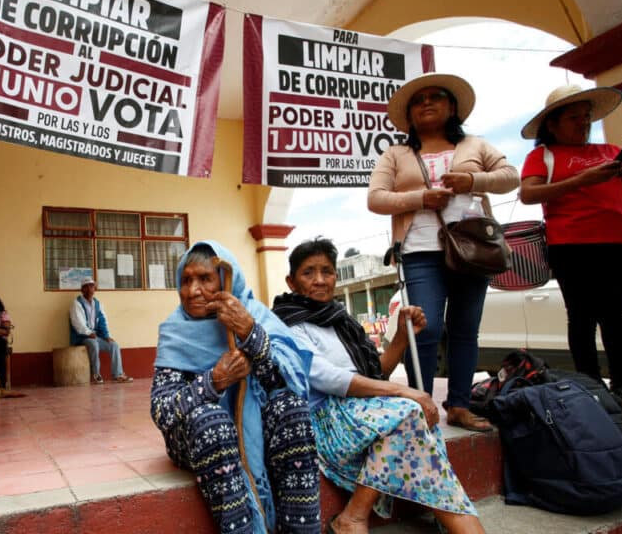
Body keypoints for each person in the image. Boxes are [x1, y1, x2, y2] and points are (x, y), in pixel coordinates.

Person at [273, 238, 483, 534]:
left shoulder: (342, 321)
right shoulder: (288, 325)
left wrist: (401, 337)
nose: (319, 280)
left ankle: (445, 515)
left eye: (327, 271)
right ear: (291, 282)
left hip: (360, 412)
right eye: (308, 272)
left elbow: (377, 372)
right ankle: (355, 516)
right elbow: (327, 378)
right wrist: (404, 390)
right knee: (409, 413)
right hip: (328, 419)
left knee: (420, 418)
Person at [367, 73, 519, 432]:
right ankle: (419, 405)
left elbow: (511, 176)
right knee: (425, 326)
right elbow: (375, 198)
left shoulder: (475, 144)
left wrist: (473, 181)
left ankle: (460, 406)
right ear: (409, 114)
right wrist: (421, 198)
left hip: (473, 249)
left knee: (465, 329)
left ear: (452, 107)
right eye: (418, 100)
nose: (427, 103)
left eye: (436, 97)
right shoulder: (396, 154)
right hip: (419, 251)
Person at [151, 241, 320, 534]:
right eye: (186, 280)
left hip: (255, 430)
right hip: (196, 437)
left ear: (226, 281)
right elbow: (162, 411)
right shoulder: (175, 331)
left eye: (205, 279)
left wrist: (250, 333)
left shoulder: (253, 315)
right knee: (212, 421)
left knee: (291, 408)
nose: (193, 291)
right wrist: (213, 382)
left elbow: (287, 382)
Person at [518, 85, 622, 409]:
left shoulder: (612, 150)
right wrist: (582, 180)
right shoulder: (543, 156)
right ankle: (590, 385)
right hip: (570, 242)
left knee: (616, 314)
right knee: (581, 315)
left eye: (587, 117)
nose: (584, 123)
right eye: (574, 118)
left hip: (619, 239)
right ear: (553, 125)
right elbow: (528, 194)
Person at [69, 278, 132, 383]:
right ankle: (96, 374)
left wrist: (106, 336)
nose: (89, 289)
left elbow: (102, 321)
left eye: (91, 286)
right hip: (81, 337)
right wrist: (89, 333)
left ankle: (118, 374)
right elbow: (77, 323)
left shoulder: (97, 304)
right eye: (86, 287)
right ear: (82, 290)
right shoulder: (77, 304)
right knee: (94, 344)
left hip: (95, 336)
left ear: (95, 289)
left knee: (114, 345)